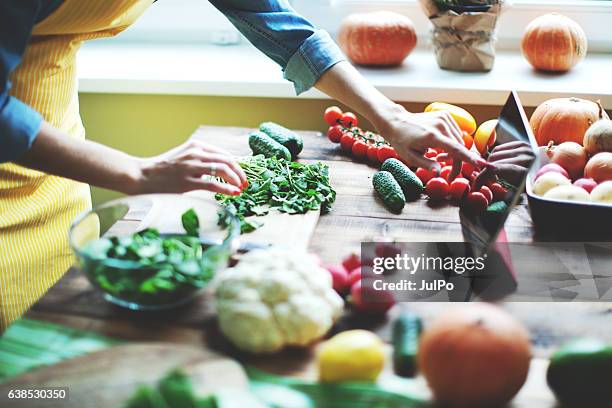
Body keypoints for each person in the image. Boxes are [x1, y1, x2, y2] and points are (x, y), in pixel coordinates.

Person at [0, 0, 483, 329]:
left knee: (55, 318)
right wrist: (136, 173)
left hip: (56, 151)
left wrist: (392, 119)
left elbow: (277, 24)